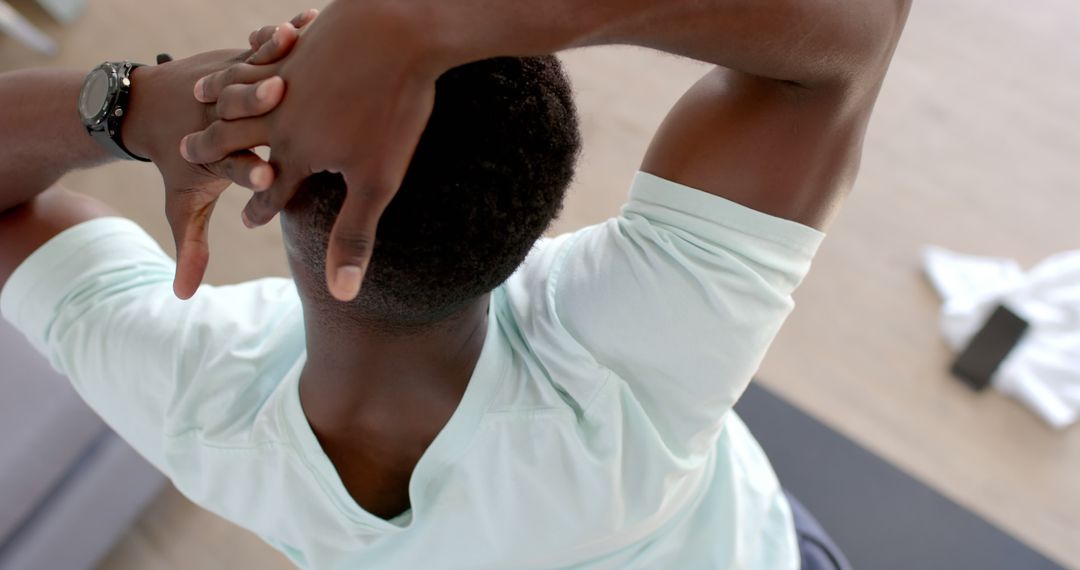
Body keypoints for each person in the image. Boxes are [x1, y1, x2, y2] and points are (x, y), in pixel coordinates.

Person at [0, 0, 910, 568]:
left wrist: (137, 103)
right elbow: (856, 28)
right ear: (536, 210)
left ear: (268, 180)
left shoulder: (198, 403)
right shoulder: (630, 357)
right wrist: (437, 20)